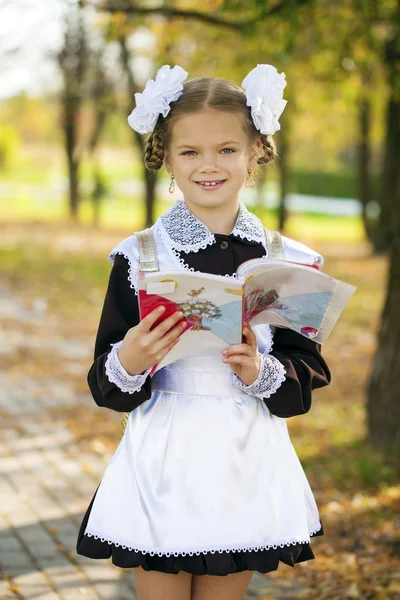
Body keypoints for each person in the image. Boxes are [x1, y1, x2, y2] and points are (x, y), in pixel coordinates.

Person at [76, 64, 331, 600]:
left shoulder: (291, 262)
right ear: (165, 157)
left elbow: (307, 371)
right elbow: (104, 379)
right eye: (190, 152)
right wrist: (131, 357)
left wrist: (263, 371)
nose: (209, 165)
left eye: (227, 150)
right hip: (163, 458)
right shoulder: (138, 258)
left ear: (256, 149)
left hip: (244, 458)